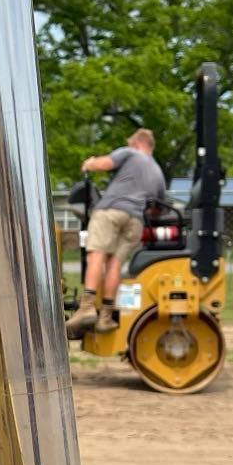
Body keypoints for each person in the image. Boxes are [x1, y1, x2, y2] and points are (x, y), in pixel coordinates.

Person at [66, 127, 168, 337]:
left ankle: (86, 308)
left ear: (138, 143)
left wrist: (90, 163)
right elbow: (159, 207)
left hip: (111, 211)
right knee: (115, 264)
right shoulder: (158, 172)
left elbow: (105, 164)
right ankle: (105, 316)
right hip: (135, 221)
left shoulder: (130, 153)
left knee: (96, 255)